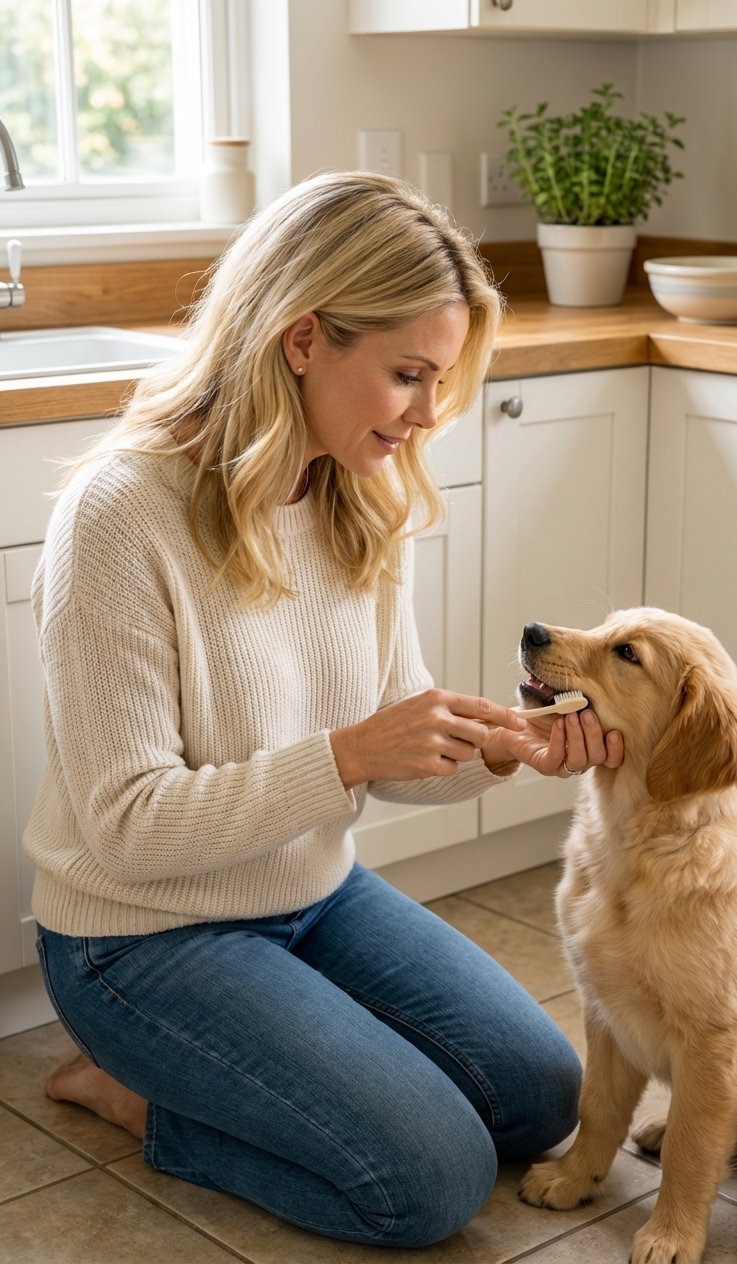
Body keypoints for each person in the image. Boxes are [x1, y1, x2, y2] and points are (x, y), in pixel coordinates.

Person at [31, 172, 624, 1249]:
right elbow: (126, 826)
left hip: (311, 891)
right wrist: (346, 755)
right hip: (142, 938)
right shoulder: (122, 514)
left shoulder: (359, 495)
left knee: (543, 1099)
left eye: (440, 379)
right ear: (303, 339)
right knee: (427, 1183)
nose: (428, 414)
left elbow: (386, 758)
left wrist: (498, 751)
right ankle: (134, 1093)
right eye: (408, 375)